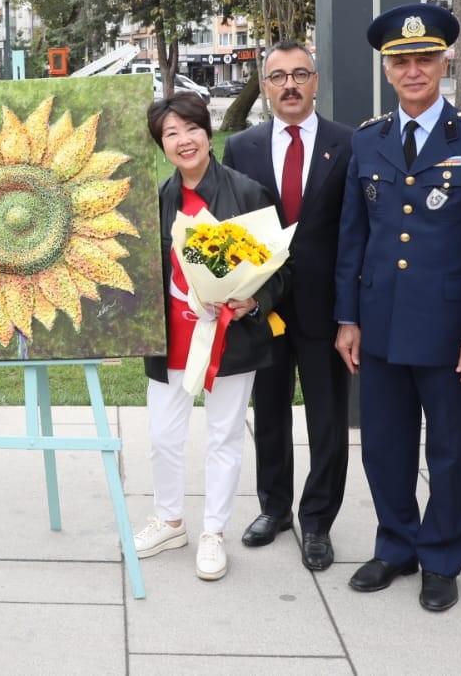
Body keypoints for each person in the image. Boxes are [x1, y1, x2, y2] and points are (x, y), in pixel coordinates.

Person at [335, 3, 461, 615]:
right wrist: (347, 318)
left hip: (449, 327)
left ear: (445, 60)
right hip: (378, 324)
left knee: (449, 447)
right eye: (401, 61)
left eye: (425, 57)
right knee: (383, 446)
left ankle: (443, 556)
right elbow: (355, 237)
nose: (414, 69)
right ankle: (396, 545)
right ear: (386, 69)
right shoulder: (368, 140)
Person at [135, 92, 280, 582]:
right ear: (162, 146)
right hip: (170, 337)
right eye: (170, 134)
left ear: (208, 133)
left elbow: (280, 268)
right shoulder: (156, 199)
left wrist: (253, 301)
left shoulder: (247, 192)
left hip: (228, 338)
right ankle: (169, 519)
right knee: (163, 436)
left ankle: (213, 532)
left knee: (224, 436)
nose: (183, 140)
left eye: (191, 129)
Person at [222, 40, 353, 570]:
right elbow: (231, 229)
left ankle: (318, 520)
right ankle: (274, 509)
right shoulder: (243, 147)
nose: (290, 85)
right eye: (278, 77)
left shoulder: (348, 144)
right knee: (269, 412)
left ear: (316, 81)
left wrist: (351, 312)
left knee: (327, 418)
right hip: (263, 306)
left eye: (300, 74)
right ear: (265, 85)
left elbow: (354, 232)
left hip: (325, 307)